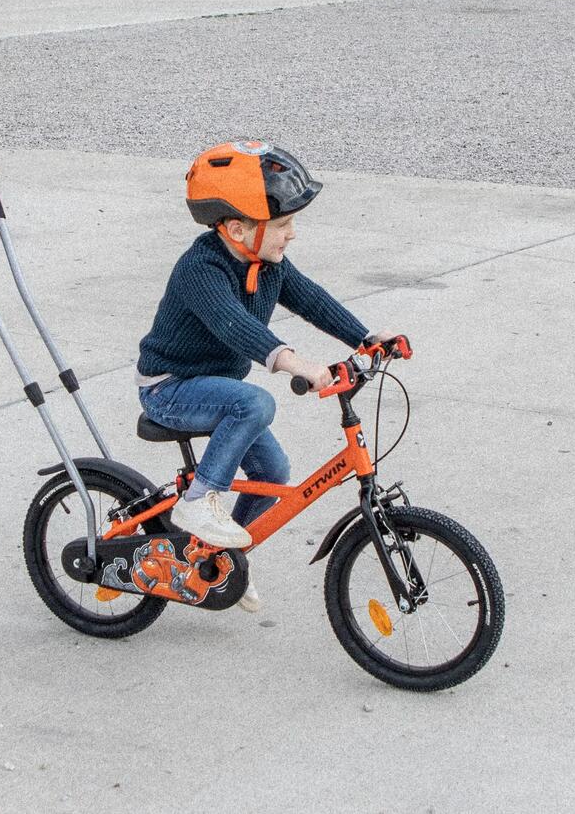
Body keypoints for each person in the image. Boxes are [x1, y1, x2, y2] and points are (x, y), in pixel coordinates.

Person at [135, 141, 400, 612]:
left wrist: (366, 339)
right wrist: (297, 364)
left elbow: (313, 300)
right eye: (281, 225)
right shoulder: (202, 267)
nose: (291, 235)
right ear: (237, 228)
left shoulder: (268, 264)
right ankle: (198, 502)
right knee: (255, 403)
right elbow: (234, 326)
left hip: (218, 390)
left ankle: (223, 561)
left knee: (273, 472)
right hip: (170, 389)